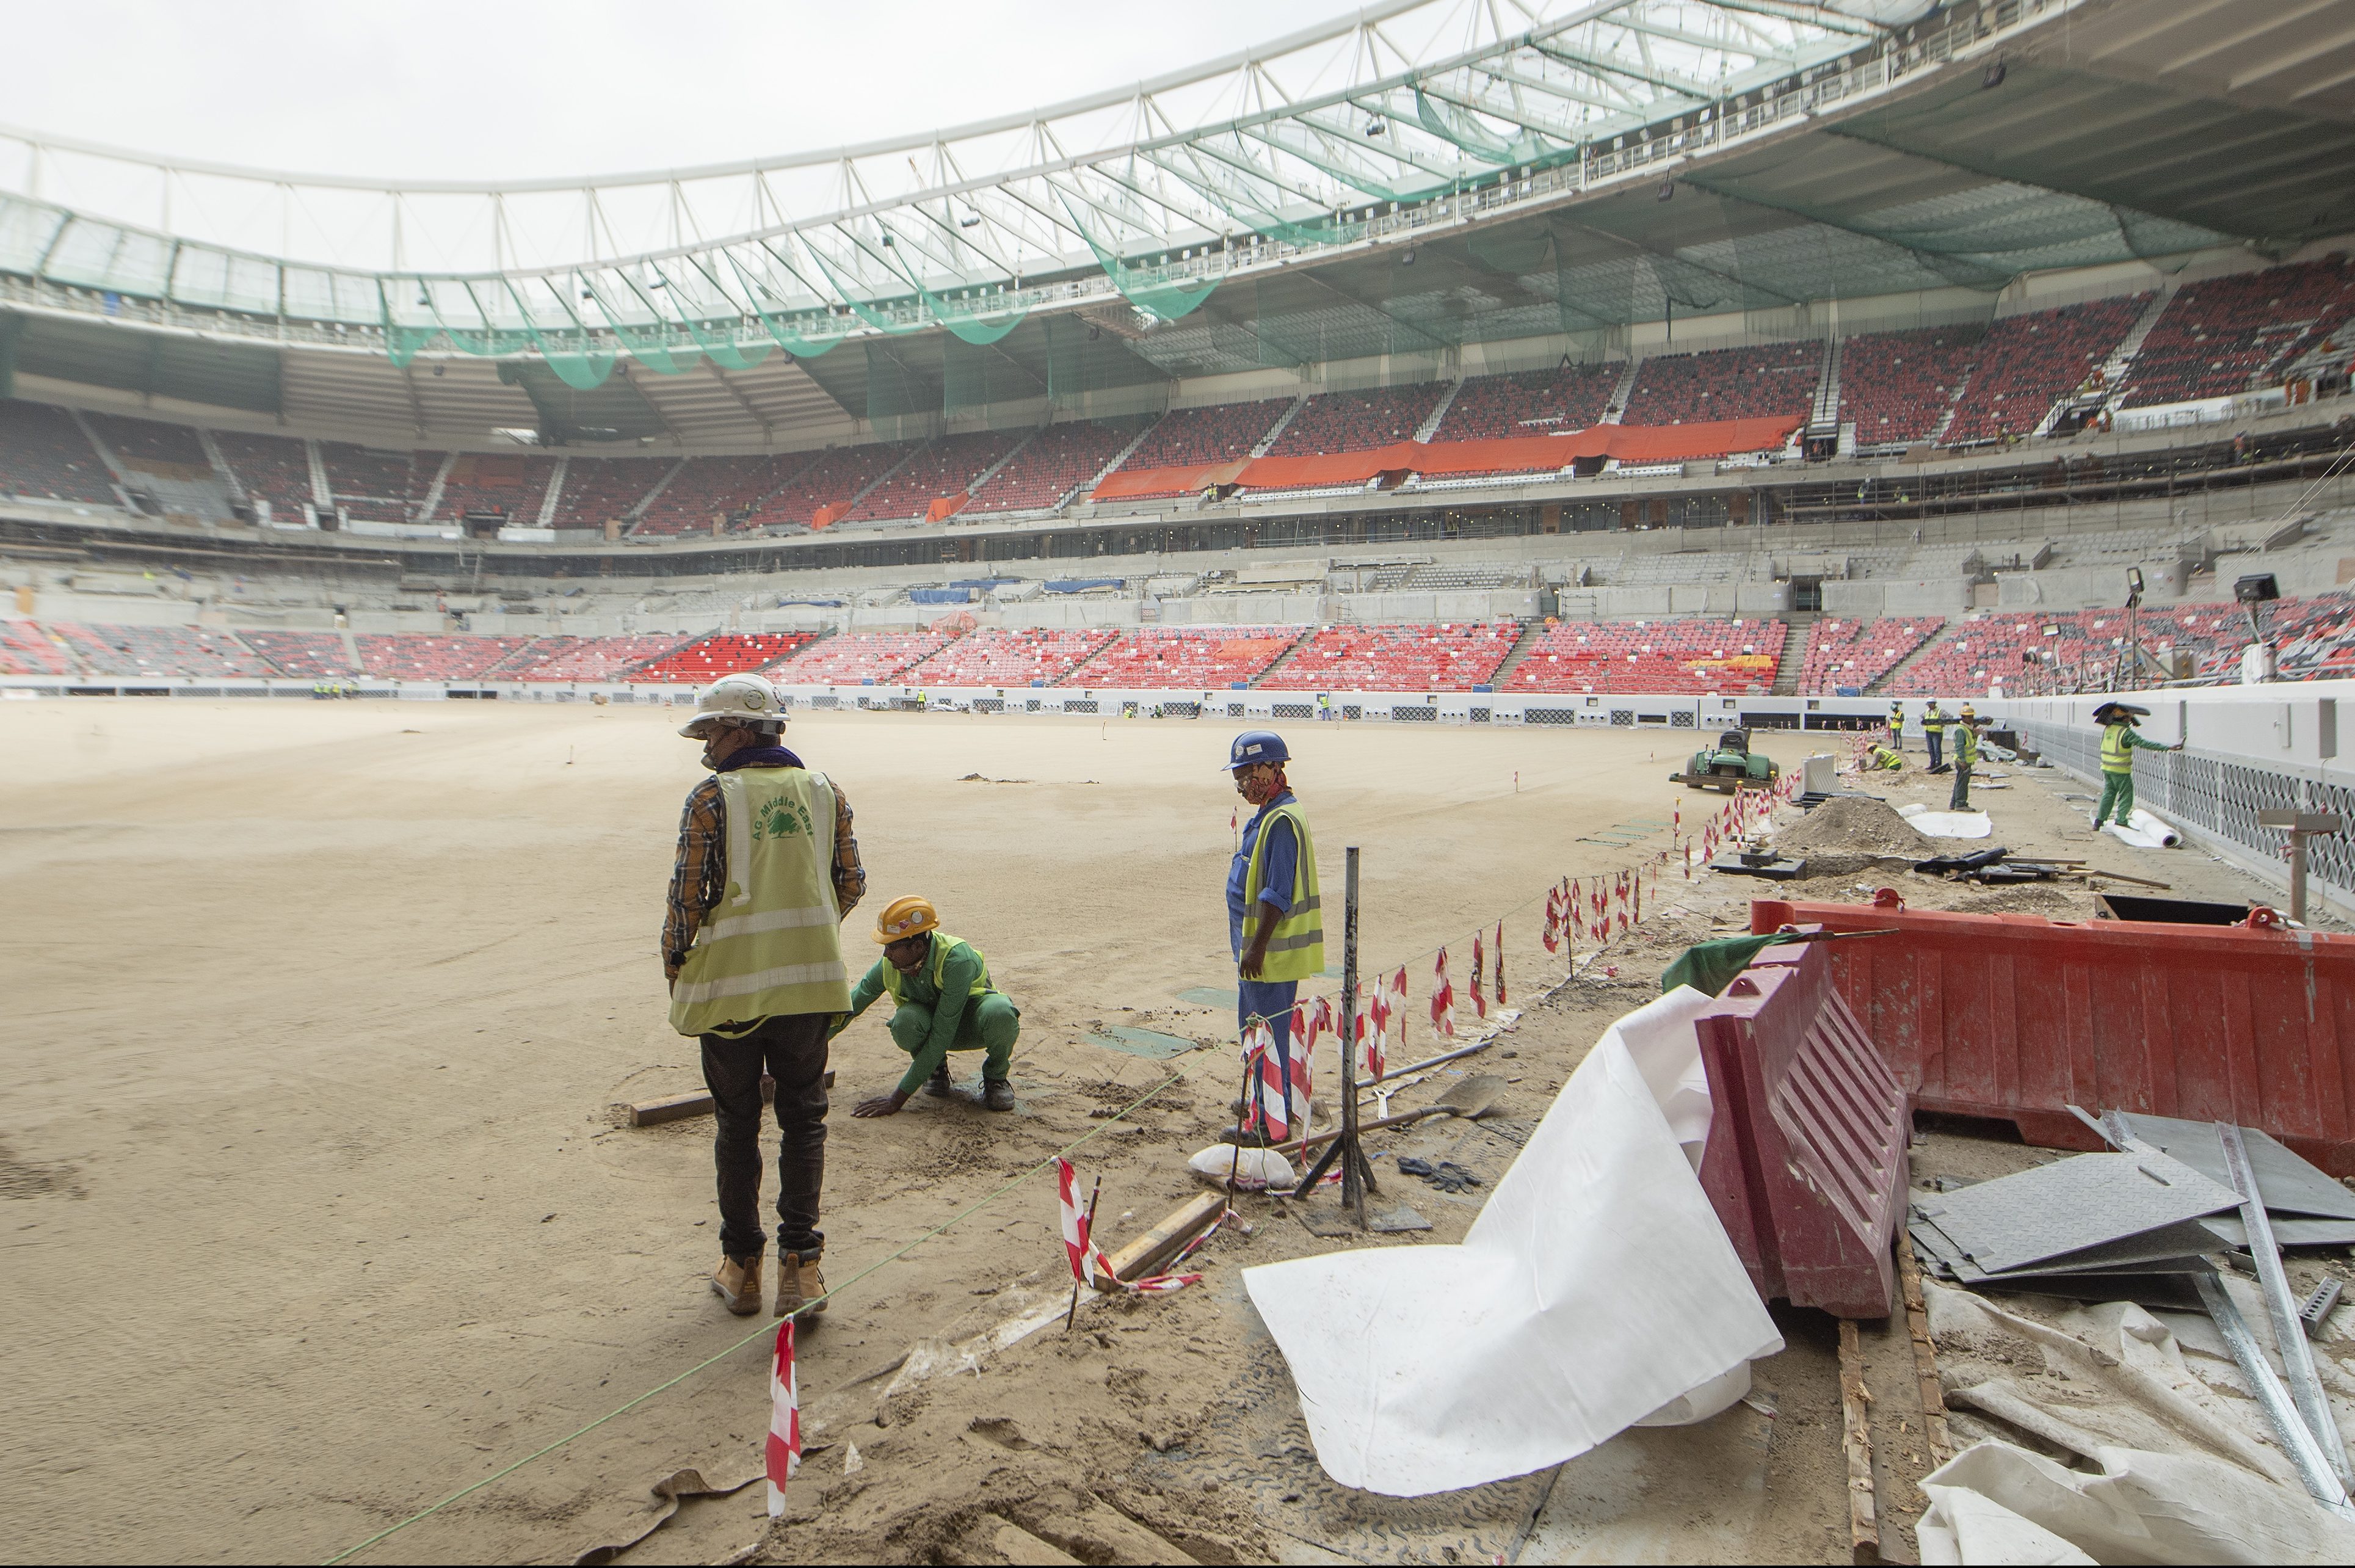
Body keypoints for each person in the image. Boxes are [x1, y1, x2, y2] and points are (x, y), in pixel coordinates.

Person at [664, 674, 864, 1321]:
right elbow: (852, 883)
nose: (705, 747)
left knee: (737, 1125)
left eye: (711, 733)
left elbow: (686, 903)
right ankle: (801, 1269)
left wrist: (678, 967)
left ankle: (741, 1265)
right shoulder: (825, 792)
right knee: (805, 1121)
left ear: (742, 731)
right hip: (809, 988)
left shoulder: (710, 799)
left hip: (729, 995)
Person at [1224, 730, 1323, 1142]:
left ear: (1273, 768)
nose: (1244, 780)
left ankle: (1270, 1123)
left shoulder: (1281, 821)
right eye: (1240, 773)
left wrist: (1257, 947)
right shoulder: (1268, 812)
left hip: (1269, 956)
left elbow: (1277, 895)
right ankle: (1263, 1097)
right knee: (1252, 1029)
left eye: (1250, 771)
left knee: (1267, 1033)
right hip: (1256, 954)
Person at [839, 896, 1021, 1116]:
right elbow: (851, 1006)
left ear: (917, 946)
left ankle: (996, 1078)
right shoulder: (890, 965)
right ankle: (936, 1070)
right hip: (935, 1028)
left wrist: (896, 1100)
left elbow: (943, 1033)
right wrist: (806, 1054)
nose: (886, 954)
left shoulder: (957, 960)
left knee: (1000, 1011)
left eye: (892, 947)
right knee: (905, 1022)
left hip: (970, 1025)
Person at [2092, 701, 2180, 830]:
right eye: (2129, 716)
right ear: (2125, 718)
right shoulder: (2126, 732)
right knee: (2127, 796)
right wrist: (2167, 748)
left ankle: (2099, 821)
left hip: (2107, 768)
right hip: (2121, 771)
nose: (2131, 719)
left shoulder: (2109, 729)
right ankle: (2121, 820)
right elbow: (2144, 744)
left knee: (2108, 794)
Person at [1949, 711, 1981, 810]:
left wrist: (1975, 735)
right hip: (1963, 761)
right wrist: (1963, 761)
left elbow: (1969, 743)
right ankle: (1961, 804)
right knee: (1962, 783)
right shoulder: (1961, 730)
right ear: (1963, 718)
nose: (1971, 719)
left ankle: (1954, 803)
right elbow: (1960, 747)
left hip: (1966, 760)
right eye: (1968, 717)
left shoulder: (1968, 729)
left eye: (1972, 716)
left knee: (1960, 781)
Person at [1922, 700, 1947, 771]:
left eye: (1930, 705)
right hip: (1928, 732)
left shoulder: (1940, 711)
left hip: (1937, 733)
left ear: (1934, 704)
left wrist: (1943, 723)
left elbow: (1949, 717)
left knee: (1937, 749)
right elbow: (1921, 717)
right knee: (1931, 749)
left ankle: (1938, 764)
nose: (1929, 706)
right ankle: (1932, 764)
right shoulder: (1927, 711)